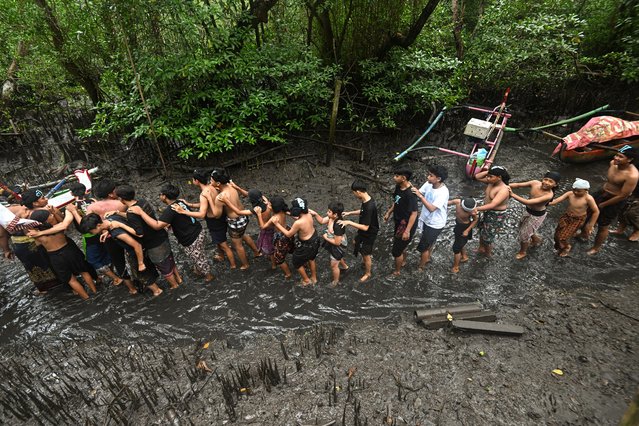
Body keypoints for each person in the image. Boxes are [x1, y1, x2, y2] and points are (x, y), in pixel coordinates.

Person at [126, 183, 214, 282]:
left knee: (199, 258)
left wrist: (141, 212)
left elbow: (157, 225)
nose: (159, 196)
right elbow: (177, 218)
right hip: (197, 231)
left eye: (160, 194)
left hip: (191, 238)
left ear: (164, 196)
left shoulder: (170, 210)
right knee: (197, 255)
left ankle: (209, 276)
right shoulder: (179, 202)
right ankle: (199, 270)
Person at [115, 185, 182, 289]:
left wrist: (120, 225)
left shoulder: (131, 212)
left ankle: (174, 285)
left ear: (121, 199)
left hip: (154, 245)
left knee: (163, 267)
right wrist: (118, 213)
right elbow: (134, 216)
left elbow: (139, 233)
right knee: (169, 259)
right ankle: (179, 279)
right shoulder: (142, 202)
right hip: (162, 236)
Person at [81, 213, 160, 295]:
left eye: (91, 231)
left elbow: (137, 245)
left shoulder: (116, 232)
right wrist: (108, 232)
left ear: (98, 225)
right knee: (146, 274)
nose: (91, 233)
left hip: (137, 253)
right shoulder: (111, 218)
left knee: (143, 276)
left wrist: (140, 263)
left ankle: (157, 291)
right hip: (141, 249)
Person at [172, 170, 236, 268]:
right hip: (220, 217)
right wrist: (189, 204)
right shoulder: (211, 187)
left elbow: (202, 214)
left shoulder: (203, 194)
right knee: (218, 241)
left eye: (193, 179)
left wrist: (183, 211)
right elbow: (205, 206)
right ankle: (221, 256)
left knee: (223, 244)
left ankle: (233, 265)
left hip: (214, 221)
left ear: (196, 181)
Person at [28, 210, 96, 300]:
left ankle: (86, 298)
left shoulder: (35, 235)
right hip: (69, 251)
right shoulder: (59, 226)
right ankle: (95, 292)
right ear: (46, 221)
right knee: (83, 271)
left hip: (54, 256)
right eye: (50, 215)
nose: (52, 215)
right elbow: (66, 221)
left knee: (71, 279)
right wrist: (65, 210)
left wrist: (38, 231)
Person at [6, 189, 62, 293]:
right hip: (43, 240)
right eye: (43, 198)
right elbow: (60, 226)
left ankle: (44, 289)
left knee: (33, 267)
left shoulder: (8, 213)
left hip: (21, 244)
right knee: (53, 260)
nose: (46, 199)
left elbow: (2, 235)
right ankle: (65, 280)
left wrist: (6, 249)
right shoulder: (43, 210)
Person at [586, 145, 639, 254]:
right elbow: (610, 181)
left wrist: (604, 204)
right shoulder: (612, 164)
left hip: (615, 200)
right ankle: (584, 233)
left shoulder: (632, 175)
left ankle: (596, 248)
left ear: (629, 159)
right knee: (587, 213)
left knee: (603, 225)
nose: (616, 158)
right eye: (616, 155)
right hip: (602, 192)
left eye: (620, 157)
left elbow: (623, 195)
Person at [85, 179, 134, 290]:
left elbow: (89, 224)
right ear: (111, 192)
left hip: (107, 237)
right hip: (124, 233)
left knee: (119, 263)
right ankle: (143, 279)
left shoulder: (92, 207)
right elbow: (131, 218)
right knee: (134, 255)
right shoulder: (121, 203)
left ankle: (132, 289)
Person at [212, 169, 260, 270]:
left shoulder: (220, 197)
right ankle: (256, 252)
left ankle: (245, 264)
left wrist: (212, 204)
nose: (210, 182)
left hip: (235, 222)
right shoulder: (230, 185)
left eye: (211, 180)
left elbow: (217, 215)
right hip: (243, 217)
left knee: (238, 245)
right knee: (243, 235)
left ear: (218, 183)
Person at [509, 171, 560, 259]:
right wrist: (506, 186)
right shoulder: (535, 183)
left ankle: (523, 252)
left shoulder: (548, 195)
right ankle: (536, 239)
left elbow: (528, 202)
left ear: (555, 185)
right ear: (542, 179)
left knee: (524, 235)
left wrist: (512, 194)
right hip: (528, 210)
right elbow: (518, 185)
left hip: (537, 215)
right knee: (521, 226)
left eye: (551, 181)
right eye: (546, 179)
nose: (547, 182)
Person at [272, 197, 319, 286]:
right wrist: (288, 213)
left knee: (296, 262)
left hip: (306, 244)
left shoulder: (298, 223)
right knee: (311, 259)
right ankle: (314, 277)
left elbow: (289, 234)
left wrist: (277, 224)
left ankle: (306, 280)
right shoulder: (308, 214)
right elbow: (299, 218)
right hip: (315, 239)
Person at [339, 180, 379, 283]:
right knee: (355, 242)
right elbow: (362, 211)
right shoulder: (366, 200)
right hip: (364, 232)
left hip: (369, 233)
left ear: (358, 191)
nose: (353, 194)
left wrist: (348, 222)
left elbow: (365, 227)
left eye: (353, 192)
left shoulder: (370, 206)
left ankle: (368, 273)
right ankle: (364, 259)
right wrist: (349, 213)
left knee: (366, 254)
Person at [411, 165, 449, 269]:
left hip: (435, 223)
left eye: (431, 176)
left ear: (438, 179)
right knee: (428, 243)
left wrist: (420, 196)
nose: (428, 177)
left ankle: (421, 267)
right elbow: (420, 192)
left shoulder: (443, 192)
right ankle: (427, 258)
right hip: (426, 219)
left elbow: (432, 208)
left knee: (423, 248)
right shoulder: (428, 184)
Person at [549, 178, 599, 257]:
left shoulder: (588, 198)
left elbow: (596, 211)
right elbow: (556, 200)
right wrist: (544, 202)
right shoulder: (570, 194)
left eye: (579, 191)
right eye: (574, 190)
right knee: (557, 234)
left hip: (577, 220)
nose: (575, 192)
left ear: (586, 190)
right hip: (566, 216)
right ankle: (562, 244)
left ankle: (567, 247)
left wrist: (590, 225)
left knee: (562, 237)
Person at [383, 167, 418, 276]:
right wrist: (389, 212)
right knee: (401, 245)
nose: (394, 178)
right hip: (399, 222)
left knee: (396, 251)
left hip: (406, 225)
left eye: (397, 176)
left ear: (403, 178)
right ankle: (403, 261)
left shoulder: (410, 194)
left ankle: (397, 272)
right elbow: (396, 201)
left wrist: (407, 231)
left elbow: (414, 213)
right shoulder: (399, 187)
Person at [310, 201, 349, 287]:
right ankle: (345, 266)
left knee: (334, 266)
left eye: (329, 211)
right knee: (337, 258)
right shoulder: (331, 218)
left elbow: (337, 243)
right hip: (334, 240)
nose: (327, 213)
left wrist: (325, 237)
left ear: (335, 214)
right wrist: (315, 214)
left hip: (339, 245)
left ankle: (336, 281)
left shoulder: (338, 225)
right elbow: (322, 221)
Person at [474, 166, 511, 256]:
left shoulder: (504, 189)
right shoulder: (491, 182)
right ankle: (481, 248)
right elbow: (477, 176)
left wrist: (476, 208)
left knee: (488, 237)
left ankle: (488, 254)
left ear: (499, 177)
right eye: (488, 176)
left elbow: (492, 204)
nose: (487, 178)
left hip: (496, 215)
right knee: (482, 230)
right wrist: (489, 172)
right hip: (486, 210)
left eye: (490, 176)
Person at [258, 196, 293, 279]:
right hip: (288, 230)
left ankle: (288, 274)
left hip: (281, 238)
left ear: (274, 208)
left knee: (279, 259)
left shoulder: (274, 218)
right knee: (291, 248)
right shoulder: (283, 211)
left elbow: (263, 226)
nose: (268, 206)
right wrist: (267, 201)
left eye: (270, 205)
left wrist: (259, 214)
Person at [448, 198, 478, 273]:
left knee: (456, 248)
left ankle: (456, 267)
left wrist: (467, 230)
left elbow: (475, 220)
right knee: (459, 242)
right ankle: (464, 256)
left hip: (465, 227)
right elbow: (447, 203)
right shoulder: (457, 202)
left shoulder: (472, 212)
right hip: (458, 225)